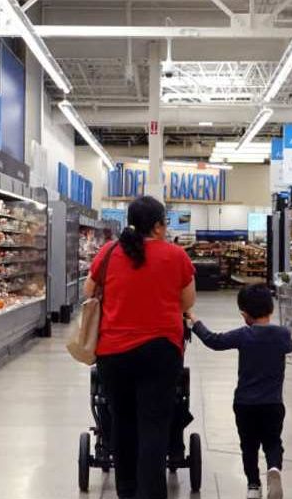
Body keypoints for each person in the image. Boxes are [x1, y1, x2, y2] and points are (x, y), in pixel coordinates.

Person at [86, 195, 196, 499]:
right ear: (159, 226)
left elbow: (89, 291)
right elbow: (187, 301)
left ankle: (127, 491)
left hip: (113, 352)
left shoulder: (109, 252)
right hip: (161, 351)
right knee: (154, 426)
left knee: (122, 422)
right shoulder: (176, 256)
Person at [187, 286, 292, 499]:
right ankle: (274, 468)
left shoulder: (243, 335)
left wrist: (195, 322)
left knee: (249, 446)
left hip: (245, 404)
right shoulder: (282, 335)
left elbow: (214, 341)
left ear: (245, 315)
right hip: (273, 403)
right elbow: (289, 346)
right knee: (273, 442)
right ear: (271, 309)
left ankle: (253, 486)